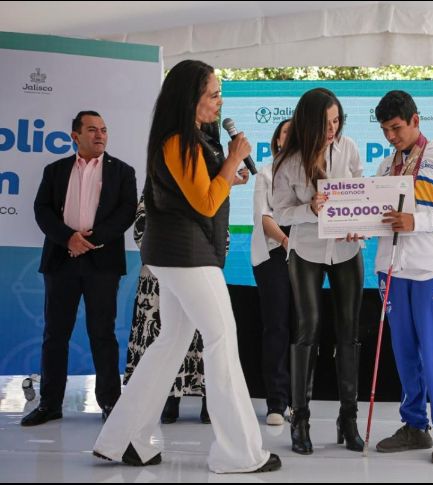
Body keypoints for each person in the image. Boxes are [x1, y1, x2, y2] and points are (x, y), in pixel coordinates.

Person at [92, 60, 280, 473]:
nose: (220, 101)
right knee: (221, 338)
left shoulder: (188, 137)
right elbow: (206, 203)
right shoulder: (179, 140)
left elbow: (203, 191)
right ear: (191, 98)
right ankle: (239, 453)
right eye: (214, 94)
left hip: (179, 253)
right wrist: (233, 160)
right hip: (185, 253)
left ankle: (125, 439)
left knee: (171, 341)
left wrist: (228, 174)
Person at [371, 91, 433, 465]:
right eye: (385, 130)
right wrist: (356, 227)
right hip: (391, 269)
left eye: (396, 128)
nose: (391, 137)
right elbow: (376, 215)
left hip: (430, 269)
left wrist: (418, 221)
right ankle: (415, 425)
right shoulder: (385, 166)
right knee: (404, 353)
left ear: (415, 120)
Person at [23, 111, 137, 426]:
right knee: (55, 334)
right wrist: (67, 239)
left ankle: (110, 404)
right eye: (92, 130)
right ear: (75, 136)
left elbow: (126, 212)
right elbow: (42, 209)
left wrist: (89, 240)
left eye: (104, 130)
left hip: (102, 263)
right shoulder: (55, 170)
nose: (100, 135)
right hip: (61, 260)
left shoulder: (122, 171)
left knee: (103, 334)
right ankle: (50, 404)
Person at [272, 88, 365, 455]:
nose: (332, 129)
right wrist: (309, 209)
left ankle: (349, 418)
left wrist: (359, 224)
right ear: (309, 122)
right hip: (307, 249)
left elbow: (361, 195)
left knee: (349, 332)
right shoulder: (288, 160)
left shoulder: (349, 148)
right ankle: (300, 420)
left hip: (346, 249)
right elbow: (281, 212)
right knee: (307, 329)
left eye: (337, 121)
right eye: (326, 122)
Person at [125, 175, 245, 424]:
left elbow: (221, 232)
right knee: (165, 336)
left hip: (200, 269)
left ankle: (211, 400)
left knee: (207, 336)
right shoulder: (155, 183)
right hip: (159, 272)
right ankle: (169, 397)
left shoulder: (210, 184)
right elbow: (140, 227)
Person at [251, 119, 293, 426]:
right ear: (277, 140)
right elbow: (263, 218)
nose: (292, 137)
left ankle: (299, 402)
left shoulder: (312, 173)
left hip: (307, 254)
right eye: (286, 133)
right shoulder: (265, 173)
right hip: (274, 253)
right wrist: (287, 241)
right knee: (277, 326)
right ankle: (277, 402)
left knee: (304, 329)